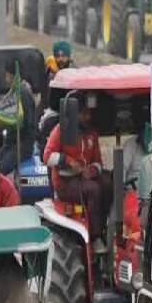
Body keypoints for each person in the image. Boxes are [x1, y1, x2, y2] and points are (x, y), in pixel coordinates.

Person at [42, 104, 104, 250]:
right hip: (65, 182)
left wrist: (93, 170)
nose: (87, 118)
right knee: (94, 189)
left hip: (85, 177)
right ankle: (95, 237)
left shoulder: (91, 134)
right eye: (83, 114)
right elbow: (47, 156)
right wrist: (69, 162)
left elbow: (98, 162)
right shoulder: (60, 130)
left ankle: (107, 226)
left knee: (108, 183)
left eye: (89, 114)